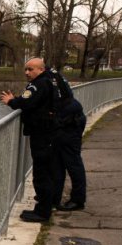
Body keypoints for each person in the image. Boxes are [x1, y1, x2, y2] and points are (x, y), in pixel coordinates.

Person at [0, 57, 60, 222]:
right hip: (47, 132)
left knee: (42, 173)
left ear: (40, 70)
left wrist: (11, 101)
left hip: (42, 133)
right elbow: (32, 101)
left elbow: (27, 101)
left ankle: (42, 212)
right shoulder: (48, 81)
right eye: (25, 69)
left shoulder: (39, 84)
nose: (27, 72)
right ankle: (43, 207)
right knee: (46, 171)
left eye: (30, 69)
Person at [50, 69, 87, 210]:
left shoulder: (48, 79)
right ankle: (54, 198)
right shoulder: (54, 74)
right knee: (58, 162)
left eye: (29, 69)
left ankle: (78, 200)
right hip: (69, 118)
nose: (27, 73)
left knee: (73, 163)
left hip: (69, 122)